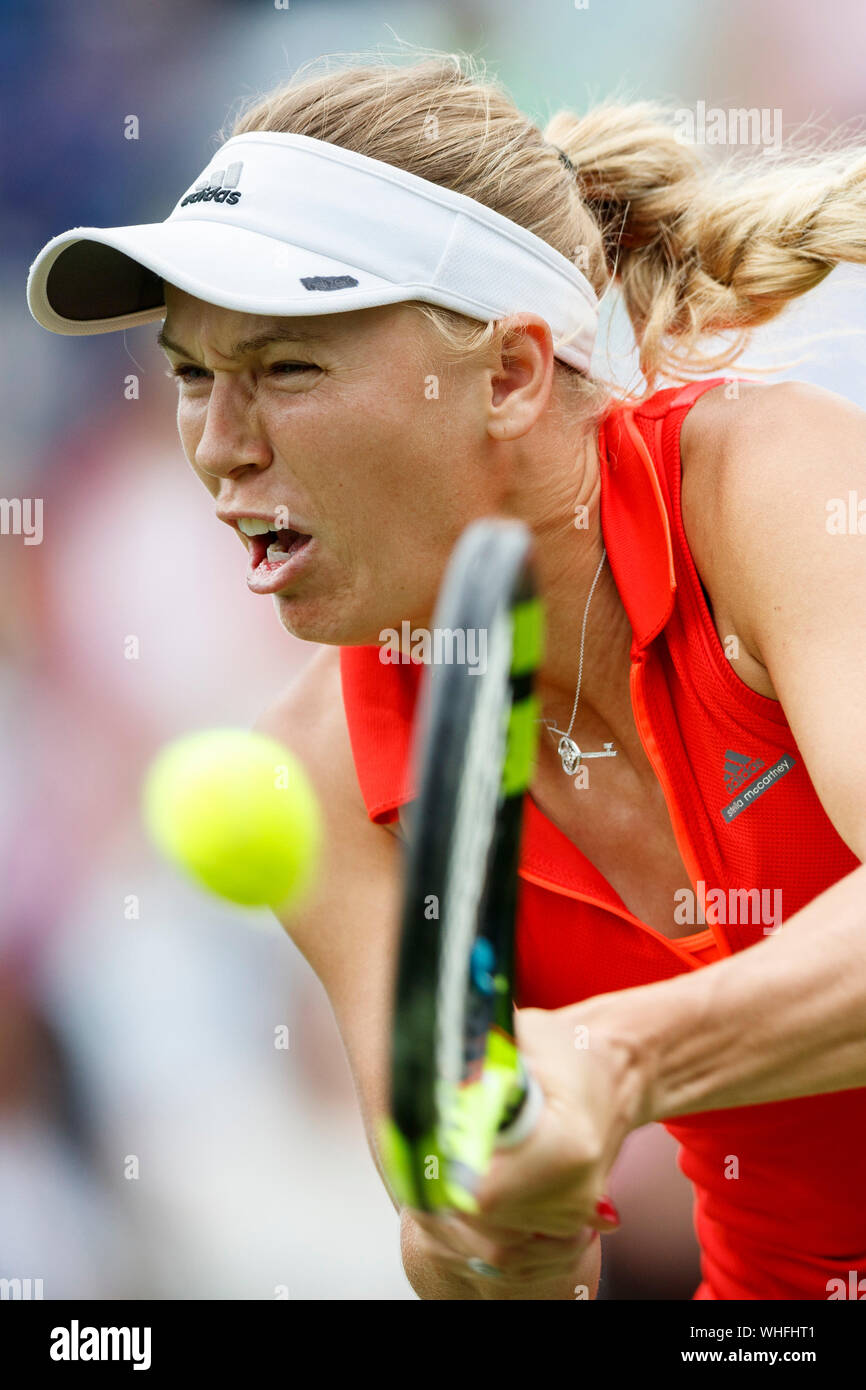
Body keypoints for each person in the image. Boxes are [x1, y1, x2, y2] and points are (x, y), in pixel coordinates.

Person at [27, 54, 866, 1301]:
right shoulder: (322, 770)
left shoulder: (776, 483)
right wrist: (491, 1225)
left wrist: (611, 1057)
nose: (215, 447)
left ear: (512, 376)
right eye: (194, 374)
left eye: (286, 370)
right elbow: (473, 1244)